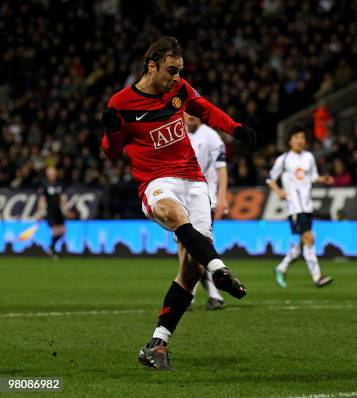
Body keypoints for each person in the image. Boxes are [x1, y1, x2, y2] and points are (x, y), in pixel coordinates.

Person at [100, 36, 258, 370]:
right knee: (172, 214)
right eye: (171, 70)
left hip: (194, 180)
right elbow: (113, 152)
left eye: (180, 71)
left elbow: (206, 110)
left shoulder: (179, 89)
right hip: (157, 181)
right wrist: (112, 131)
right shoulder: (122, 102)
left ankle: (157, 343)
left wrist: (236, 129)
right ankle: (221, 270)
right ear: (151, 66)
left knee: (190, 268)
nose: (176, 77)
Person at [267, 126, 334, 288]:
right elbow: (270, 178)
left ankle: (281, 267)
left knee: (304, 242)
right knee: (309, 238)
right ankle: (317, 277)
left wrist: (323, 179)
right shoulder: (283, 159)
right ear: (289, 140)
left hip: (307, 205)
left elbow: (312, 177)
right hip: (295, 207)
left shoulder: (309, 157)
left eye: (302, 137)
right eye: (296, 137)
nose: (300, 140)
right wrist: (279, 191)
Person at [184, 113, 228, 310]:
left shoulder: (212, 137)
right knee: (189, 248)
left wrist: (222, 196)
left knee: (197, 247)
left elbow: (221, 170)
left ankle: (191, 296)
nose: (190, 116)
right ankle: (212, 294)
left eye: (194, 112)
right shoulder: (179, 133)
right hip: (182, 199)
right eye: (187, 111)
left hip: (204, 199)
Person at [37, 166, 67, 259]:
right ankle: (52, 250)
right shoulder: (44, 185)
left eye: (53, 172)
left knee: (63, 232)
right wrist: (41, 211)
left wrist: (65, 209)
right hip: (50, 212)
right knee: (55, 231)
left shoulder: (59, 184)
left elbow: (63, 198)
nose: (52, 174)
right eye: (50, 173)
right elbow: (42, 199)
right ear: (47, 174)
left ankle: (51, 247)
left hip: (58, 211)